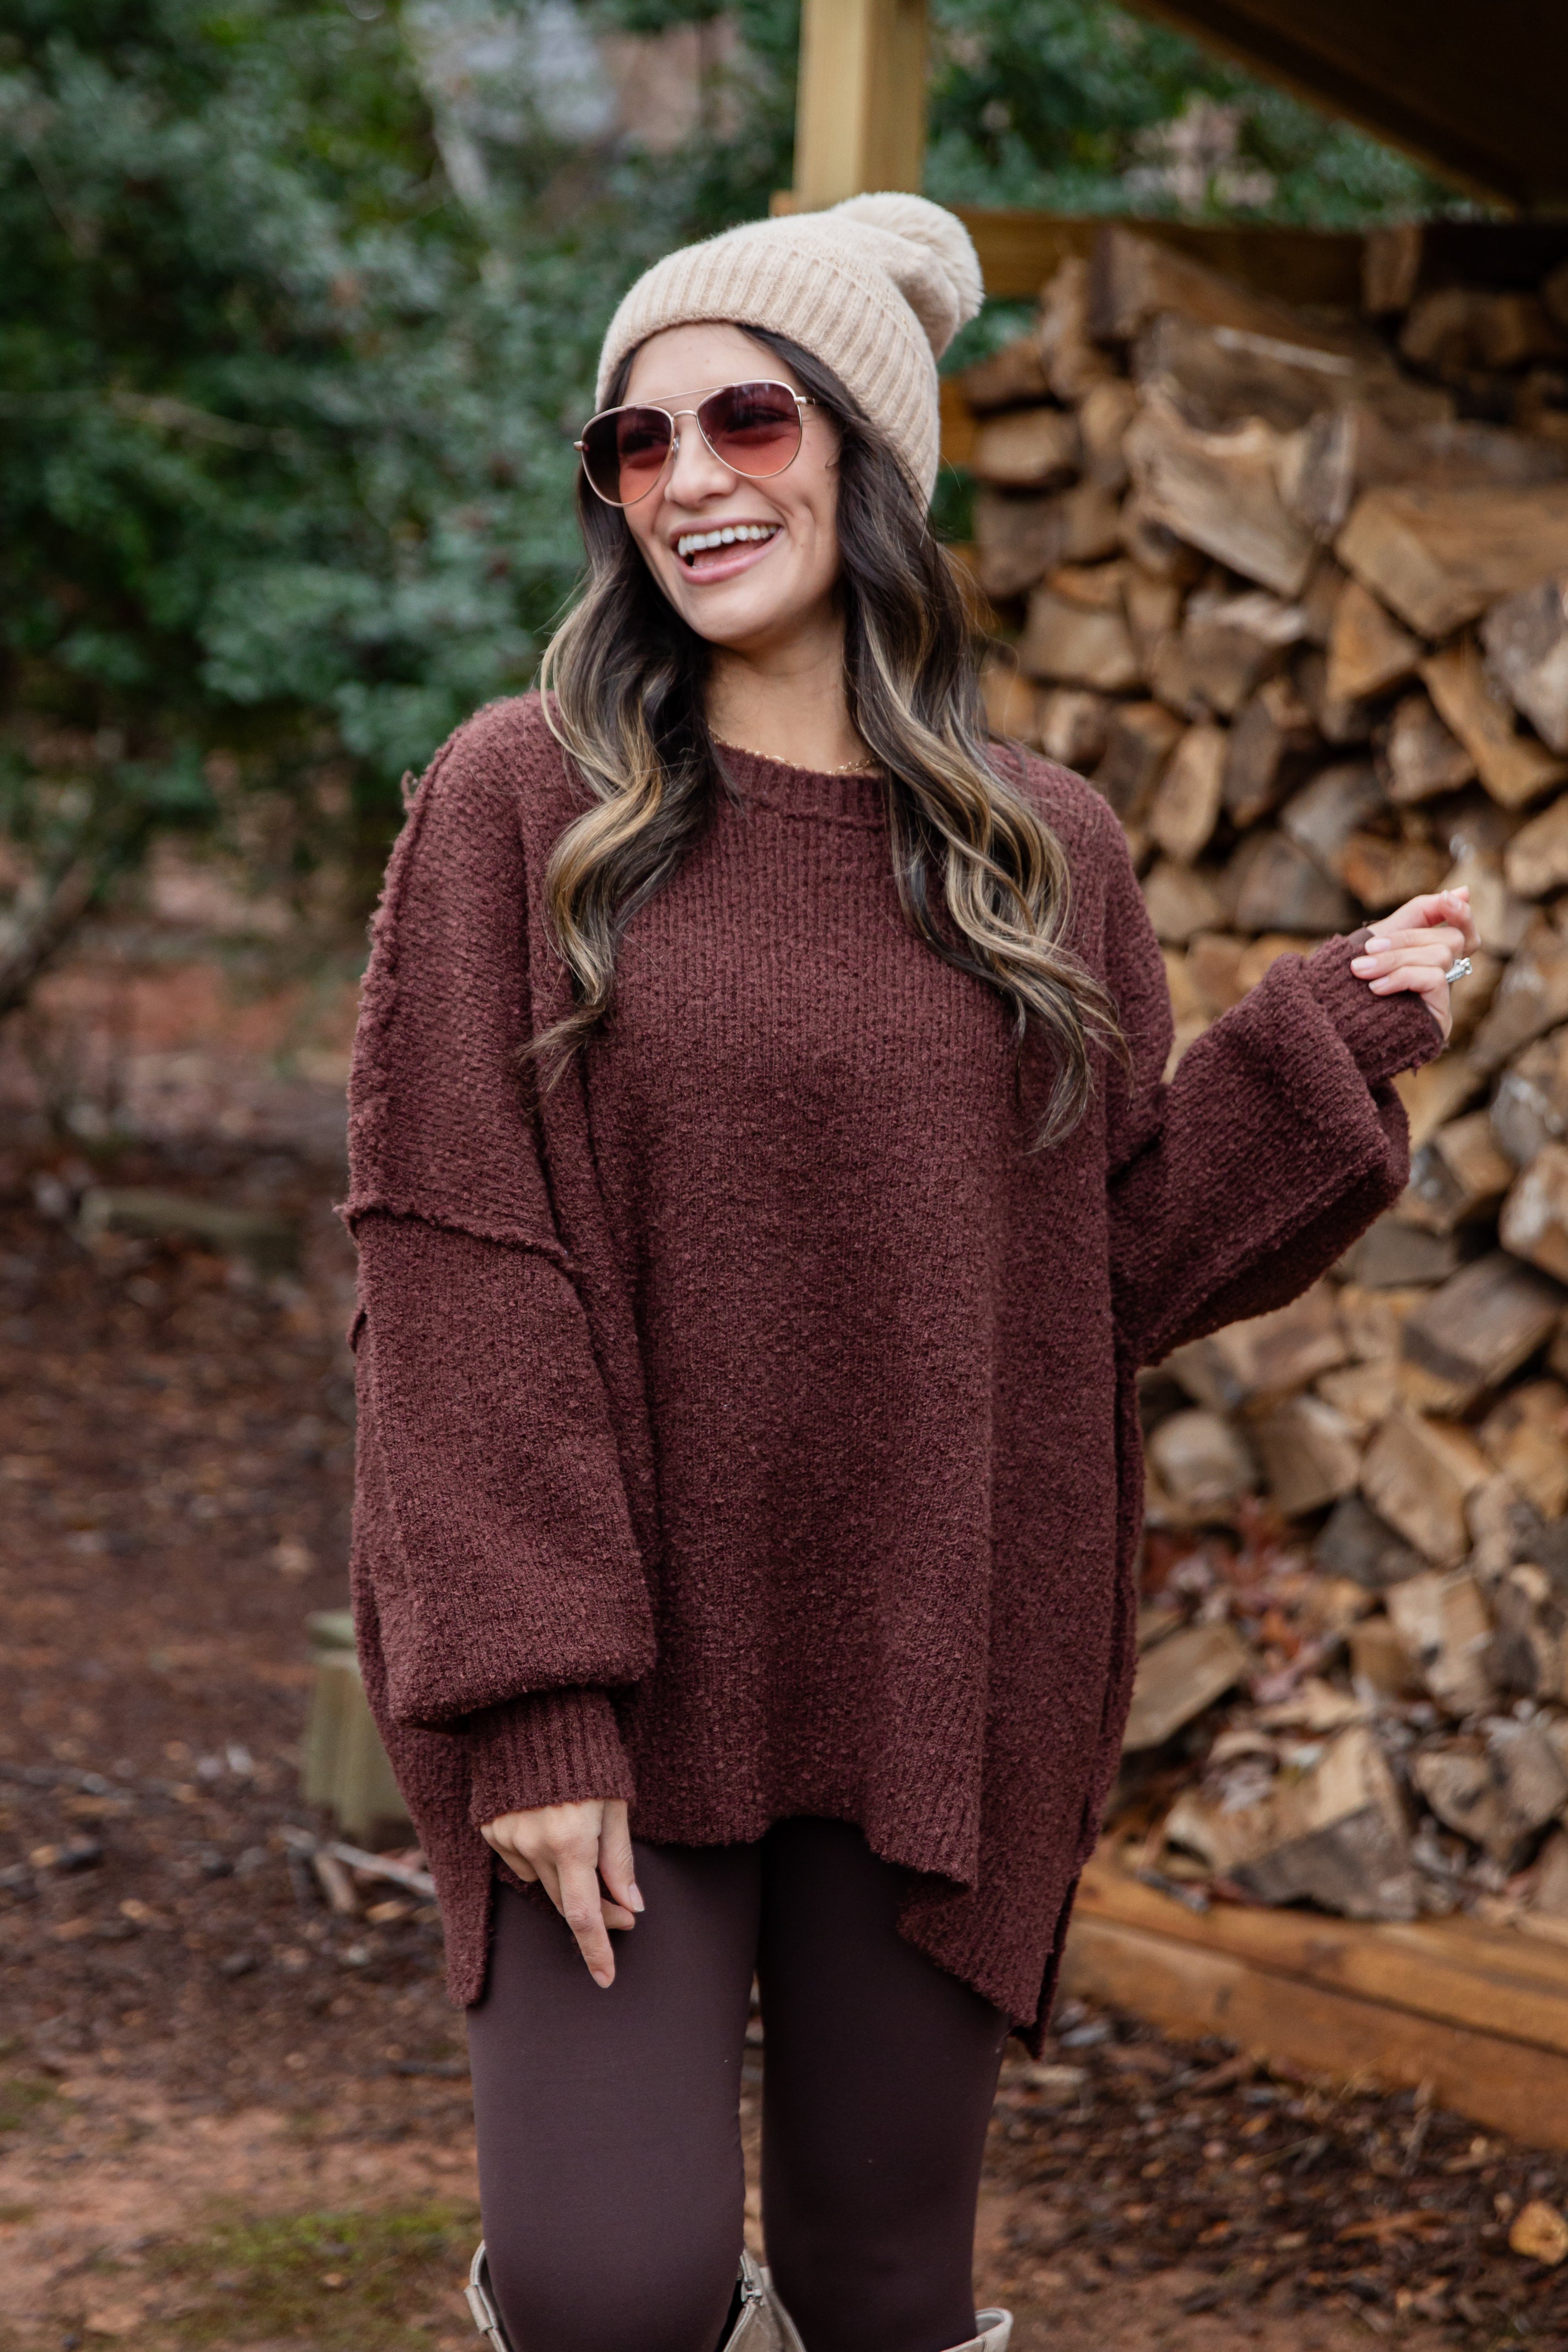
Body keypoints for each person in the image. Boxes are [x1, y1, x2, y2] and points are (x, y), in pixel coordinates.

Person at [342, 194, 1475, 2352]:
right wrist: (529, 1699)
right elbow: (453, 1257)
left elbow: (1095, 1260)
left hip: (927, 1670)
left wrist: (1317, 1042)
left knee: (882, 2292)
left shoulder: (1035, 849)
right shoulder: (522, 799)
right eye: (633, 441)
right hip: (618, 1681)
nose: (687, 479)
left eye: (746, 416)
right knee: (617, 2288)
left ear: (867, 452)